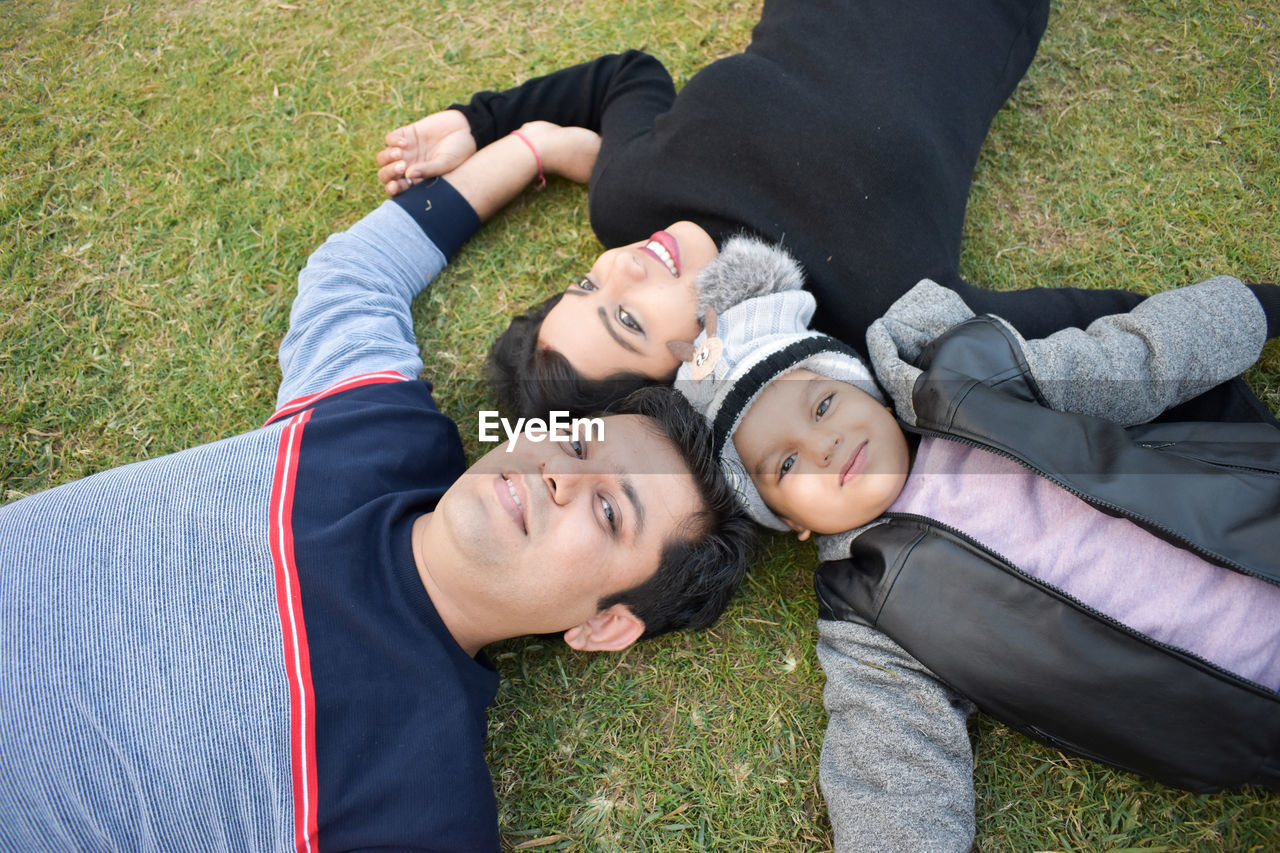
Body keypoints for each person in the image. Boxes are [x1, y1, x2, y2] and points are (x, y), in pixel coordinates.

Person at [0, 124, 753, 851]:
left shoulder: (417, 797)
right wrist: (527, 147)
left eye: (609, 506)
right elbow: (354, 273)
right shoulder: (377, 432)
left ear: (605, 625)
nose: (557, 471)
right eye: (577, 440)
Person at [374, 0, 1272, 424]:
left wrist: (482, 120)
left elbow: (629, 76)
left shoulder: (628, 199)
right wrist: (1259, 316)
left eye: (582, 281)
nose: (616, 265)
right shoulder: (873, 315)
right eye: (622, 313)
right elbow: (1088, 323)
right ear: (703, 366)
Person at [667, 250, 1280, 850]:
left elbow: (1130, 360)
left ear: (867, 390)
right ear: (790, 521)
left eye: (824, 404)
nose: (823, 446)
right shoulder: (870, 615)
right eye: (788, 463)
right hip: (1244, 710)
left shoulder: (977, 387)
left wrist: (1250, 309)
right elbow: (893, 763)